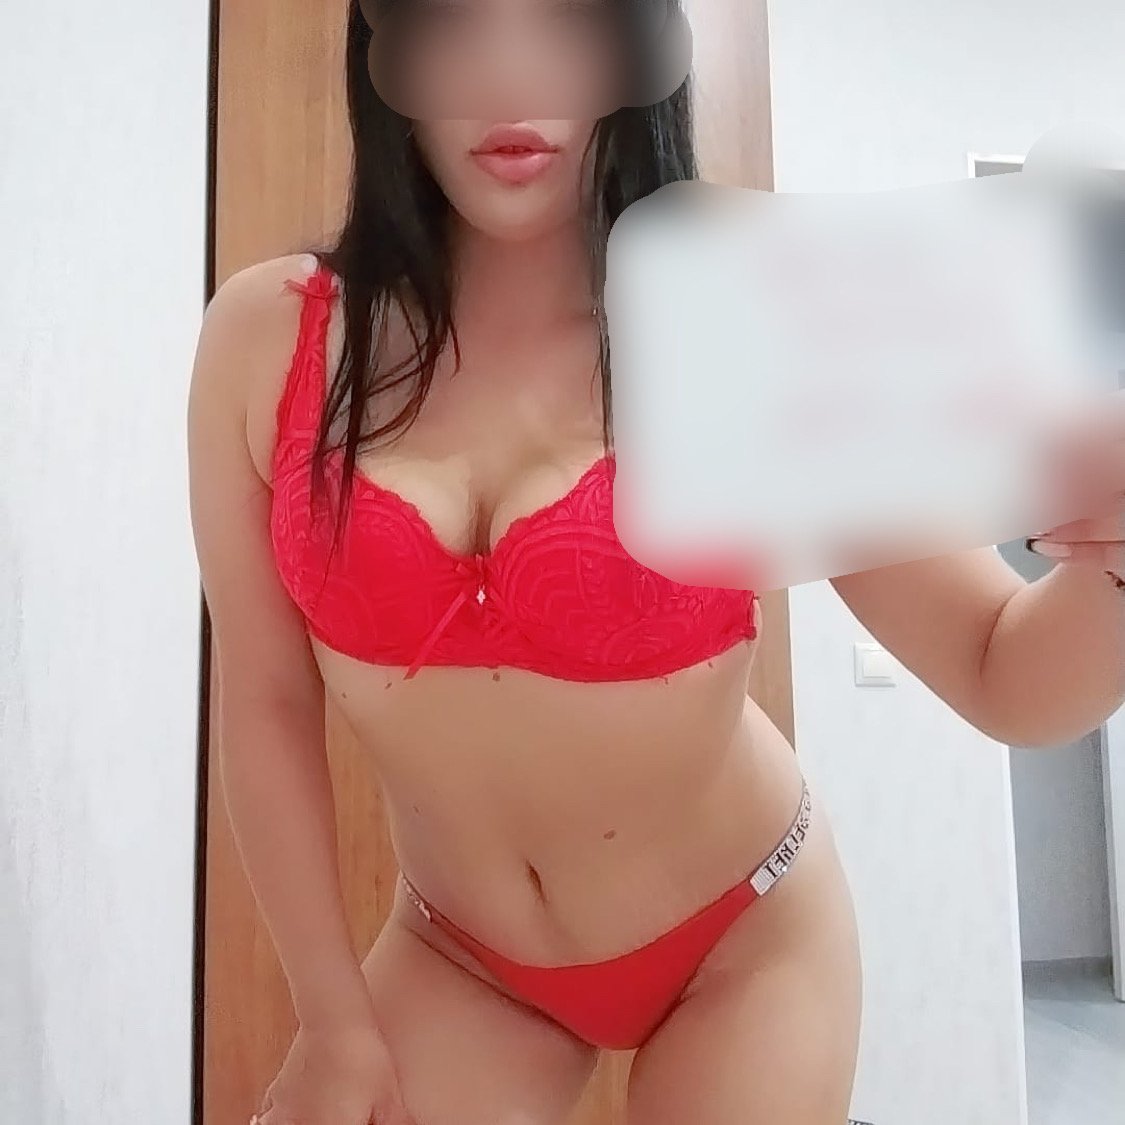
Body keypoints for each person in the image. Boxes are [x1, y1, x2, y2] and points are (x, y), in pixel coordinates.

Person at [187, 3, 1125, 1123]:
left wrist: (1114, 567)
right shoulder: (266, 341)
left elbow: (1002, 670)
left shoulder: (758, 323)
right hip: (460, 954)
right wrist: (333, 1022)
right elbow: (264, 698)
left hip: (743, 933)